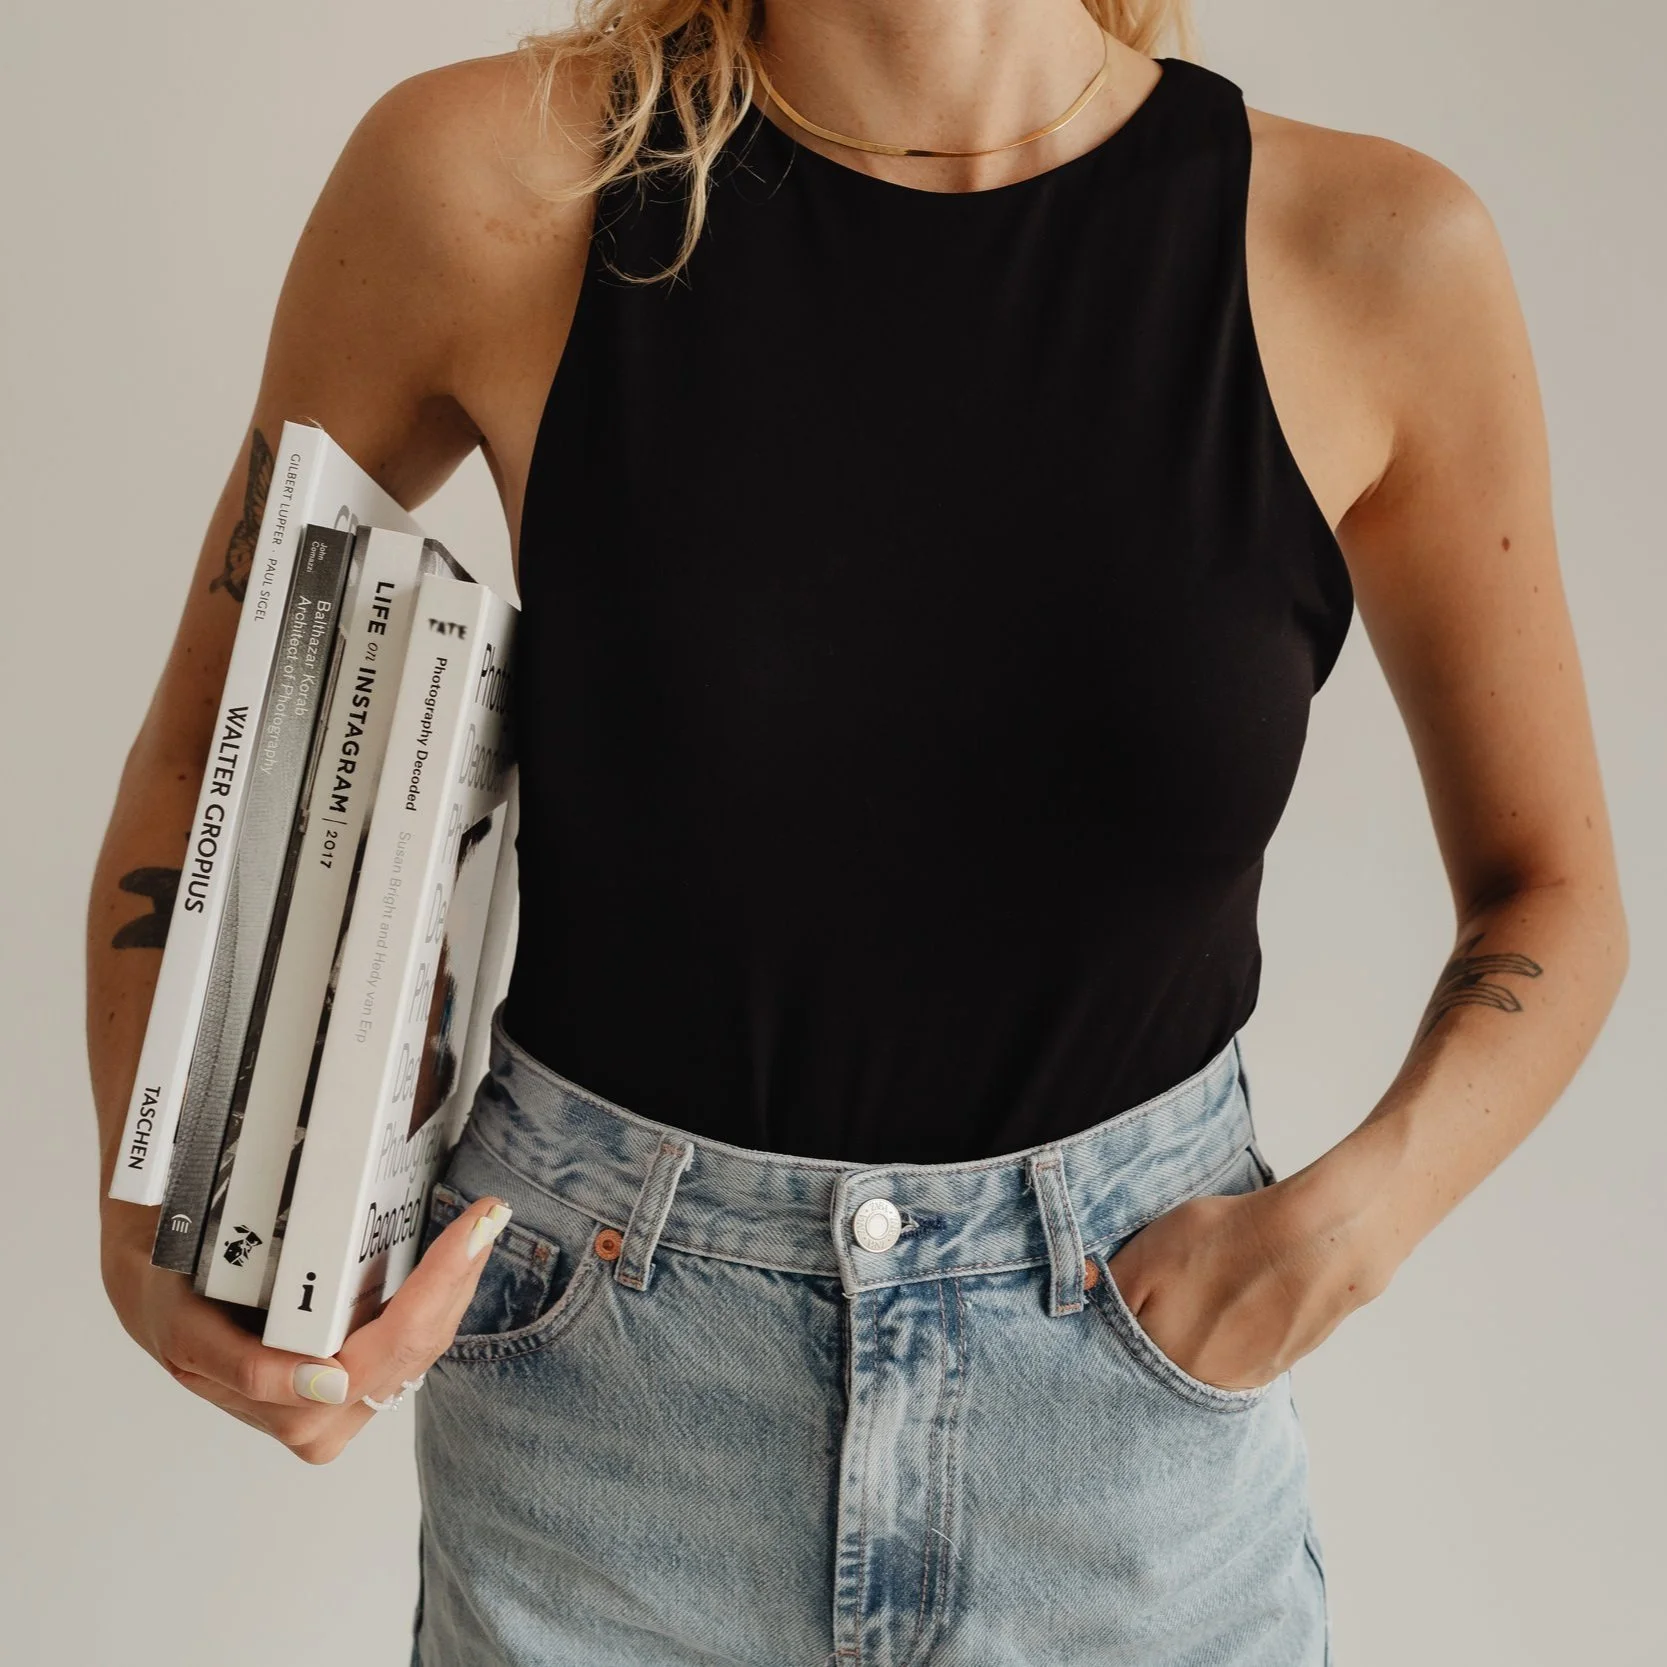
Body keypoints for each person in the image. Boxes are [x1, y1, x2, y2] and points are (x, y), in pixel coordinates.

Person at [87, 2, 1629, 1663]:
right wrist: (154, 1222)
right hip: (606, 1435)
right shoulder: (496, 183)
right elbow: (211, 744)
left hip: (1129, 1452)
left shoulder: (1369, 256)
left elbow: (1553, 887)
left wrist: (1353, 1221)